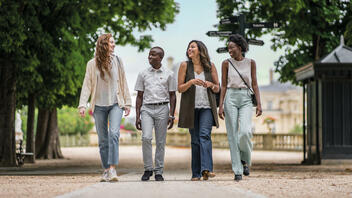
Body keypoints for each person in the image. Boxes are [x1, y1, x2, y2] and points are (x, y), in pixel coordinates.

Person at [78, 33, 131, 182]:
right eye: (111, 42)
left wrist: (127, 103)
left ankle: (113, 169)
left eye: (114, 42)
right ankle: (106, 170)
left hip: (116, 104)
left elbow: (123, 82)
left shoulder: (118, 62)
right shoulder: (91, 64)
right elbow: (87, 85)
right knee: (102, 140)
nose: (114, 45)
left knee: (114, 134)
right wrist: (82, 104)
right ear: (103, 45)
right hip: (99, 106)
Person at [218, 34, 262, 181]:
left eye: (232, 47)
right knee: (232, 135)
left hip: (245, 98)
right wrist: (220, 105)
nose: (229, 50)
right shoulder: (226, 63)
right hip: (230, 97)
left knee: (245, 132)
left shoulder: (252, 63)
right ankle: (237, 170)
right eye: (228, 48)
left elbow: (254, 83)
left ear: (240, 47)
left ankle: (245, 161)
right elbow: (223, 85)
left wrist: (259, 104)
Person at [178, 40, 220, 181]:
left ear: (200, 50)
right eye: (189, 47)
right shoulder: (184, 66)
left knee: (204, 135)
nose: (189, 49)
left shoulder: (210, 66)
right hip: (191, 108)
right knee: (195, 140)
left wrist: (211, 85)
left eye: (193, 47)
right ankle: (196, 173)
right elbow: (180, 88)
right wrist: (191, 82)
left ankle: (207, 169)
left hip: (207, 107)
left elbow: (217, 88)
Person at [135, 46, 177, 181]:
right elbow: (139, 96)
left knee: (160, 141)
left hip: (162, 109)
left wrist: (171, 114)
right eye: (149, 55)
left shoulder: (169, 74)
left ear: (160, 58)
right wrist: (137, 116)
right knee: (146, 138)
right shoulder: (142, 74)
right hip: (146, 109)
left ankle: (158, 171)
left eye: (153, 55)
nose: (149, 57)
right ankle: (148, 169)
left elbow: (172, 95)